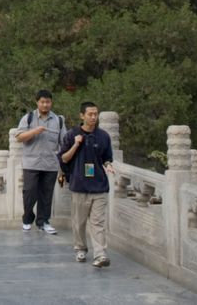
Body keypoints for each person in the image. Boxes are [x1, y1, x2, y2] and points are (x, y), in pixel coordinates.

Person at [60, 101, 115, 268]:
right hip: (79, 186)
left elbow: (106, 157)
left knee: (97, 223)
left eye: (95, 114)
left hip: (99, 186)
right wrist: (76, 144)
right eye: (90, 114)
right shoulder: (71, 135)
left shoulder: (103, 136)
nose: (93, 117)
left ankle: (100, 254)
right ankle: (81, 248)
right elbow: (64, 158)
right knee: (79, 222)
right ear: (82, 115)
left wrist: (108, 165)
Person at [15, 89, 66, 234]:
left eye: (48, 102)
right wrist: (35, 131)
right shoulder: (28, 118)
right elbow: (19, 137)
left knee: (46, 194)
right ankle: (27, 219)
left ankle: (43, 221)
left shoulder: (58, 120)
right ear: (37, 102)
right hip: (31, 163)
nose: (45, 105)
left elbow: (64, 142)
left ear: (51, 103)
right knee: (29, 192)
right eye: (42, 102)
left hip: (50, 164)